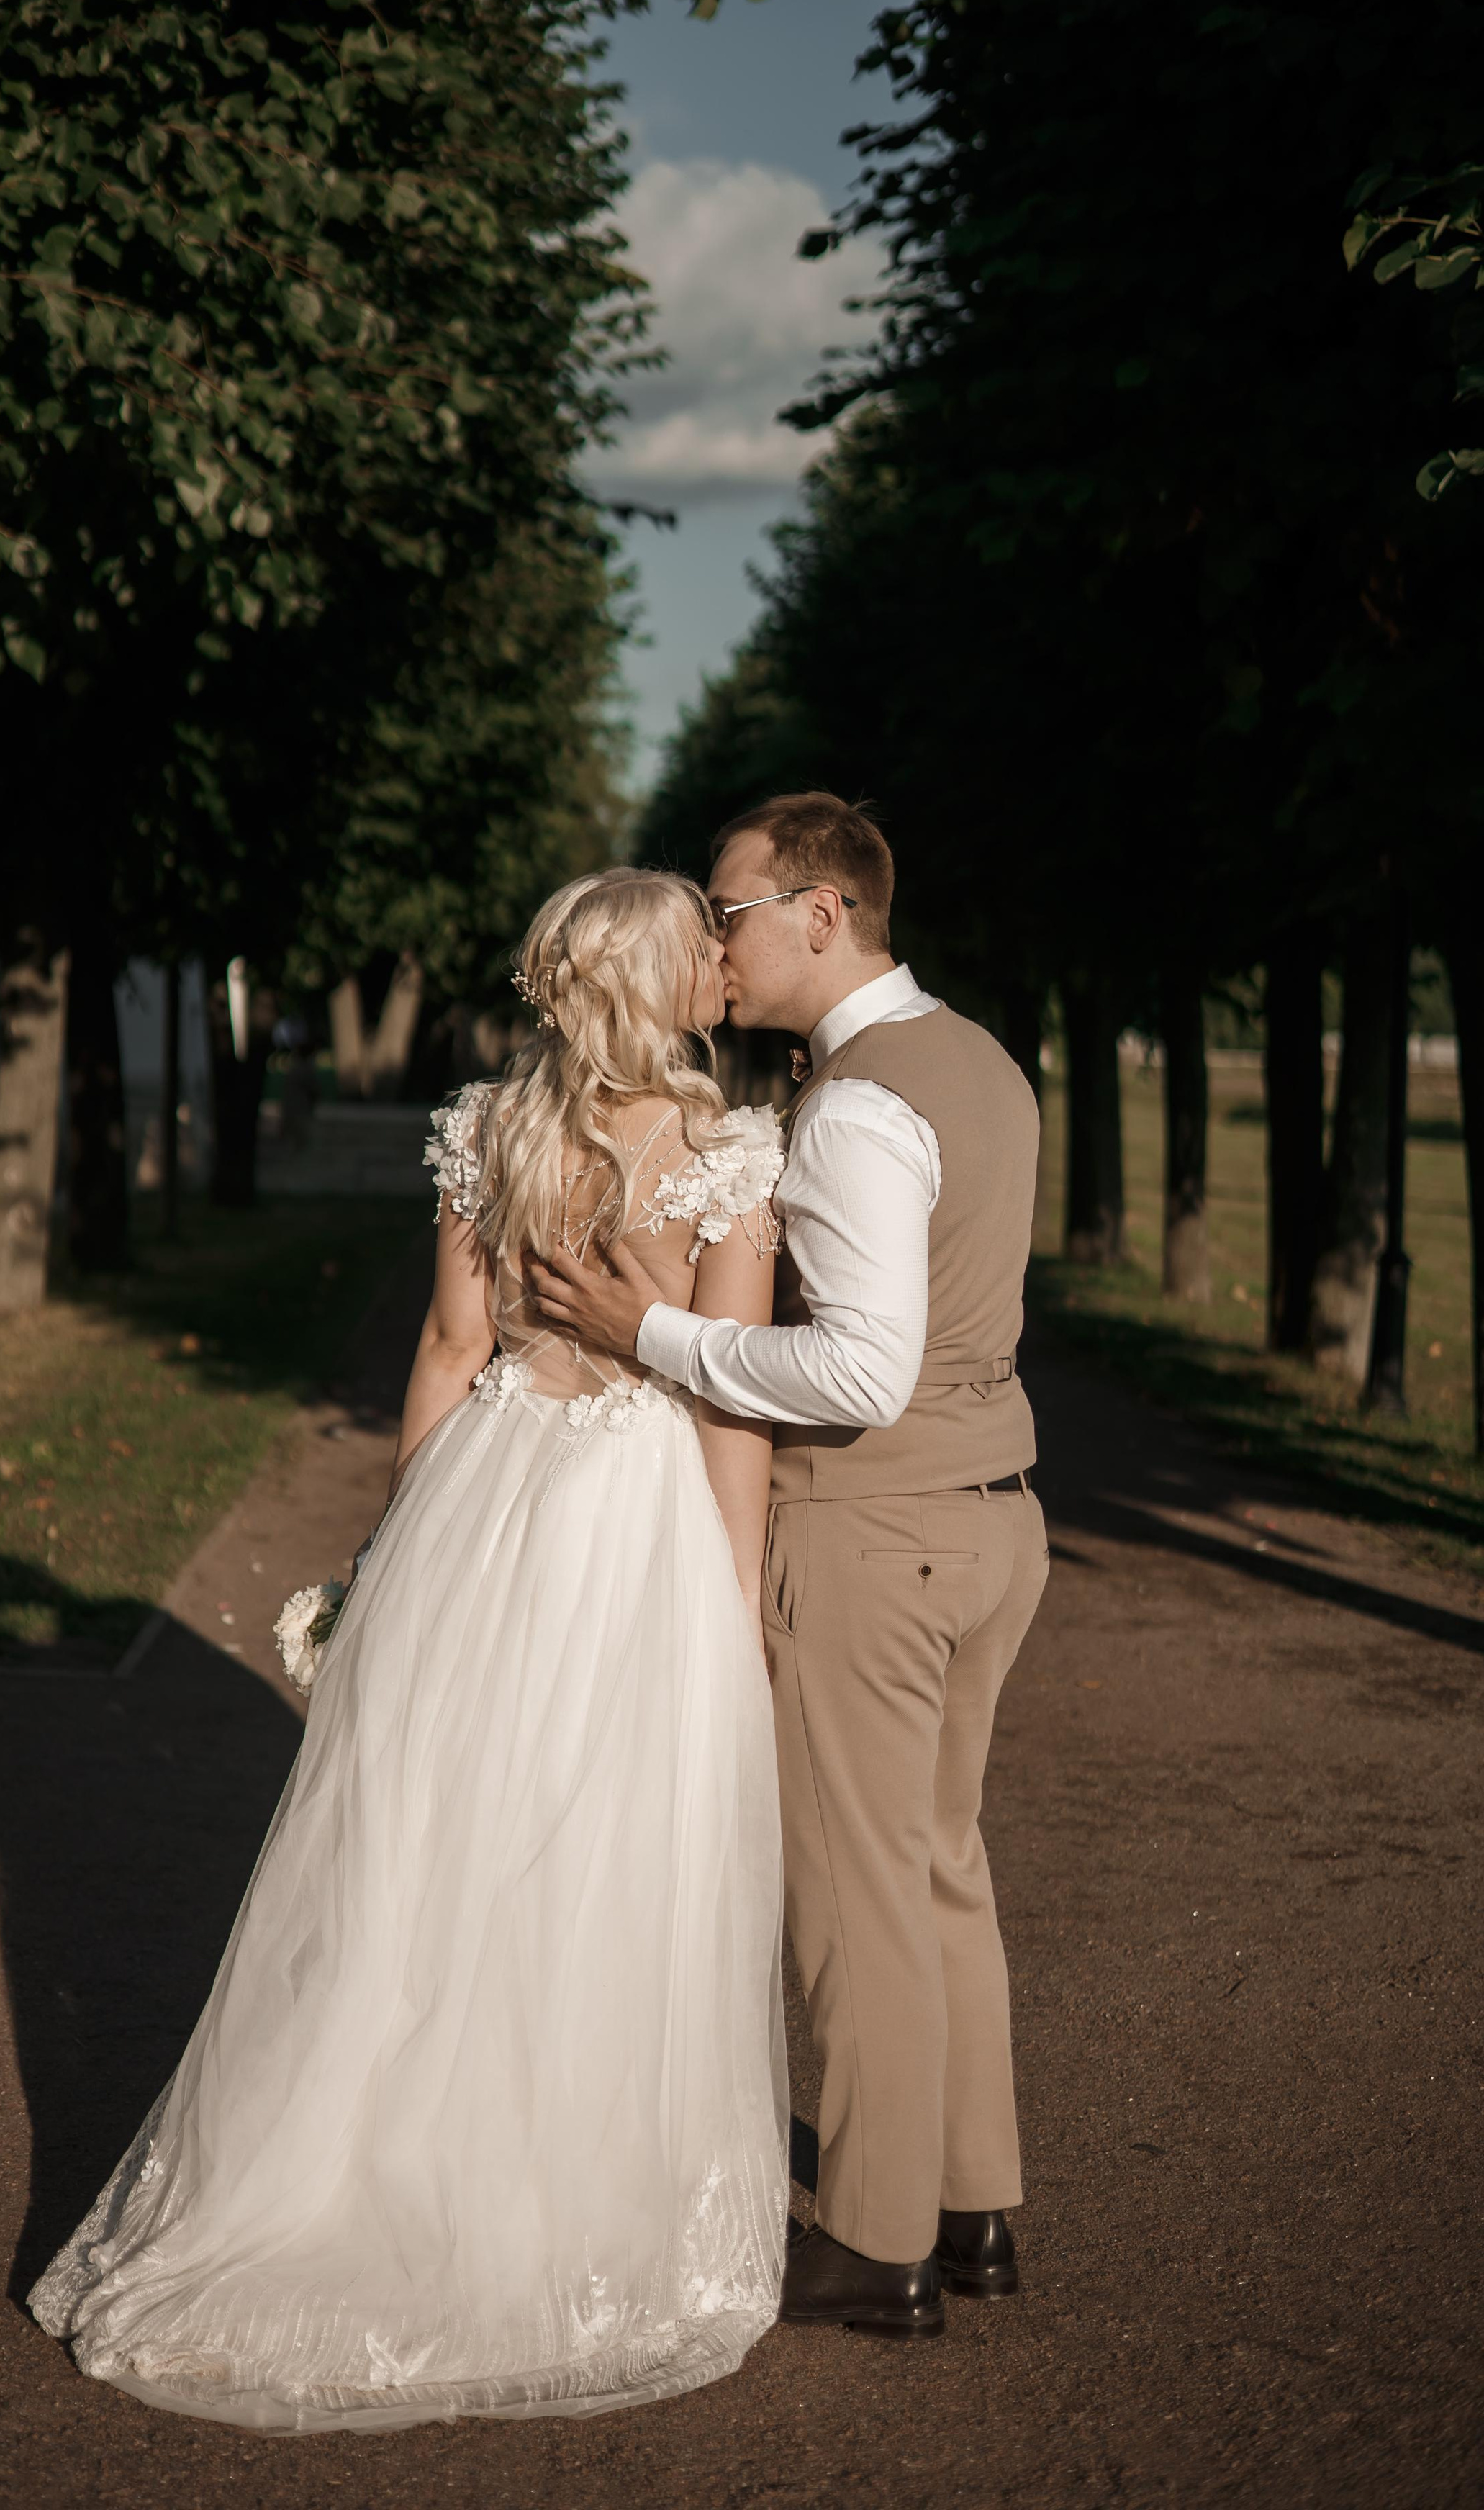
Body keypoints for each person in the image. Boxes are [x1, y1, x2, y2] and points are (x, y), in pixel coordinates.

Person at [30, 868, 790, 2432]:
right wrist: (732, 1598)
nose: (722, 970)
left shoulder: (488, 1129)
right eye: (699, 953)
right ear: (656, 986)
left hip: (488, 1497)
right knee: (602, 1853)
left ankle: (379, 2163)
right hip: (638, 1520)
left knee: (436, 1841)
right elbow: (727, 1400)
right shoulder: (725, 1154)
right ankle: (562, 2196)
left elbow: (449, 1351)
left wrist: (399, 1553)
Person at [534, 793, 1049, 2341]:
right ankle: (972, 2205)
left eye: (731, 910)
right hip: (991, 1517)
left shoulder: (857, 1109)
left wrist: (651, 1334)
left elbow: (860, 1371)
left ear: (821, 913)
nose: (715, 941)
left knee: (854, 1898)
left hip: (877, 1535)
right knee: (939, 1864)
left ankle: (879, 2242)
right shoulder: (983, 1064)